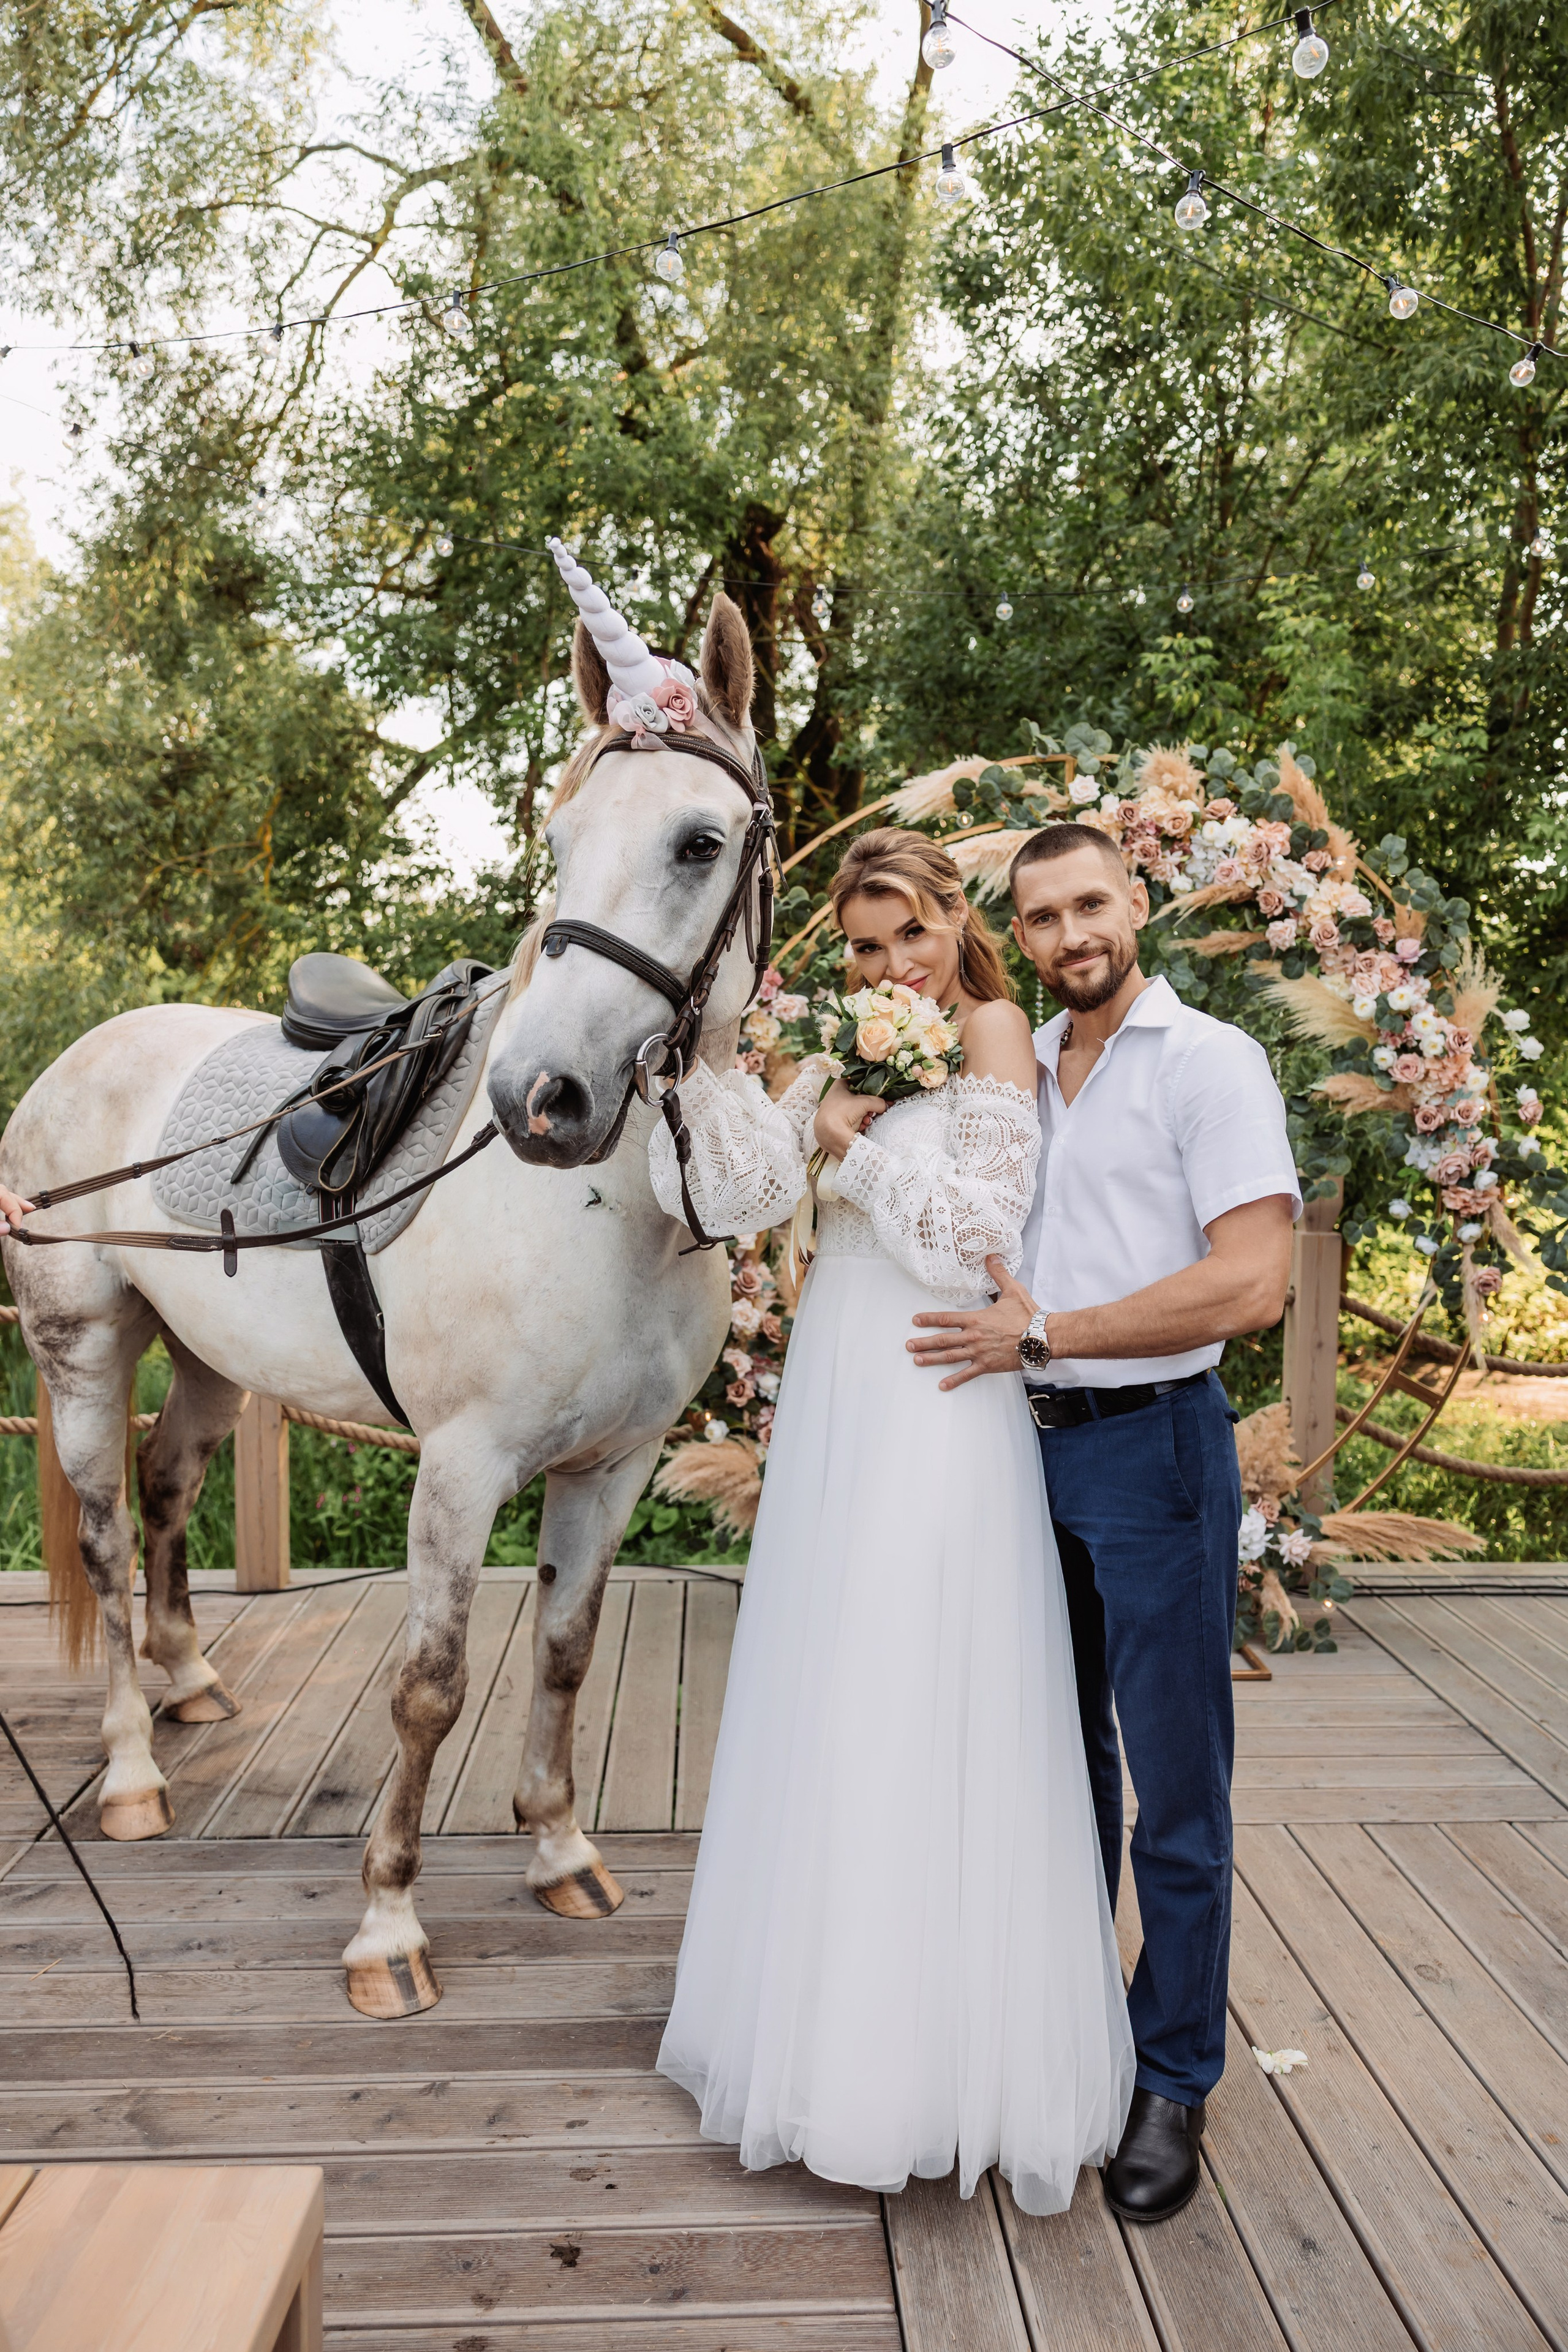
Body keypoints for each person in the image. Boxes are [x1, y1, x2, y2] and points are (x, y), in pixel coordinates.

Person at [649, 829, 1134, 2217]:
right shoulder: (846, 1050)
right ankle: (815, 2038)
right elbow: (738, 1202)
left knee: (925, 1687)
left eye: (905, 934)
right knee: (833, 1690)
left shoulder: (988, 1028)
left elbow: (969, 1231)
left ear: (951, 922)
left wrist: (843, 1146)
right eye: (862, 947)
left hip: (936, 1397)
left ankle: (942, 2060)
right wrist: (748, 1088)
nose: (887, 965)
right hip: (839, 1401)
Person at [908, 821, 1298, 2224]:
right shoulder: (1021, 1066)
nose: (1071, 934)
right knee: (1049, 1762)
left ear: (1135, 904)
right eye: (1042, 916)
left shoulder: (1207, 1064)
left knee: (1173, 1792)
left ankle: (1173, 2073)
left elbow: (1249, 1280)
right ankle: (1069, 2042)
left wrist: (1051, 1335)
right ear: (1016, 935)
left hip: (1154, 1452)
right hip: (1024, 1458)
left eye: (1091, 904)